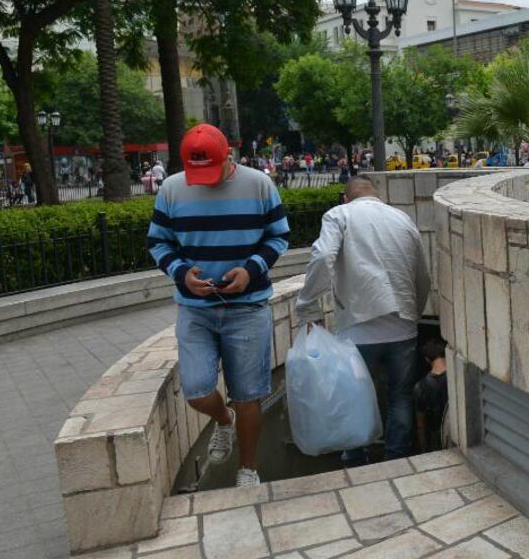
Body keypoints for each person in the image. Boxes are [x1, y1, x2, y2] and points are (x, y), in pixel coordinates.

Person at [147, 124, 290, 488]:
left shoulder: (259, 184)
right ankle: (222, 421)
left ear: (228, 156)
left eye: (211, 171)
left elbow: (279, 235)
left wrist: (250, 270)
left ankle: (248, 469)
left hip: (248, 307)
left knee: (249, 395)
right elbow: (159, 243)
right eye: (197, 173)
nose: (204, 181)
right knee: (195, 389)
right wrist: (181, 274)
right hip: (195, 309)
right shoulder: (172, 189)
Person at [296, 175, 430, 463]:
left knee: (353, 396)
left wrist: (308, 306)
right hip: (402, 327)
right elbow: (423, 275)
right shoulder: (402, 219)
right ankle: (396, 459)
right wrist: (413, 315)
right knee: (400, 396)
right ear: (377, 196)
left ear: (346, 197)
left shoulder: (339, 214)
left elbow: (321, 258)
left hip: (358, 329)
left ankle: (356, 459)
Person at [413, 337, 448, 454]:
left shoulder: (420, 387)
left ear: (427, 359)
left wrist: (423, 450)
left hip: (436, 440)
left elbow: (420, 425)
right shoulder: (456, 377)